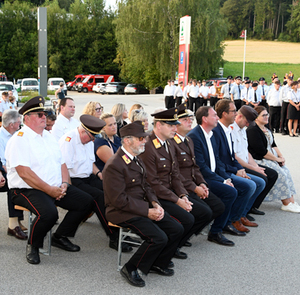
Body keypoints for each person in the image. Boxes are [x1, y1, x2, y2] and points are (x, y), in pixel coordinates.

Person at [5, 96, 93, 264]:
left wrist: (65, 184)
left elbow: (62, 163)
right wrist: (49, 190)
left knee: (86, 202)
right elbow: (24, 173)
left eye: (44, 113)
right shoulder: (20, 139)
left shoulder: (49, 137)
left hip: (54, 186)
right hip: (25, 189)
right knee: (49, 213)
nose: (44, 117)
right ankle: (33, 245)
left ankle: (60, 236)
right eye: (39, 114)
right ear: (27, 118)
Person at [103, 121, 184, 287]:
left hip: (142, 206)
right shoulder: (114, 165)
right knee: (158, 237)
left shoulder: (136, 158)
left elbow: (146, 185)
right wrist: (147, 212)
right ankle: (130, 267)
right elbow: (119, 200)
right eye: (141, 138)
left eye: (145, 137)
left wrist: (155, 203)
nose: (145, 141)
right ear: (127, 140)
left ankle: (157, 263)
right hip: (121, 211)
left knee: (177, 229)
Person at [140, 107, 213, 256]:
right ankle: (165, 253)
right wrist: (177, 200)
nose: (175, 128)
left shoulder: (168, 143)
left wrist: (183, 195)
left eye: (175, 124)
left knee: (204, 212)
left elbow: (175, 174)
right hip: (153, 196)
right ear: (159, 125)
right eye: (171, 125)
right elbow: (153, 183)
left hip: (168, 192)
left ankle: (172, 248)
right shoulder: (148, 146)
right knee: (187, 219)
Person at [59, 114, 131, 252]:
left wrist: (99, 174)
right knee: (98, 198)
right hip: (73, 179)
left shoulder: (88, 140)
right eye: (91, 137)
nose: (93, 140)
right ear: (83, 132)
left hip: (88, 176)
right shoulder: (68, 140)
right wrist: (68, 186)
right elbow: (64, 167)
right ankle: (114, 237)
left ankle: (121, 229)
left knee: (111, 191)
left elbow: (90, 162)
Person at [188, 106, 245, 244]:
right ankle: (215, 231)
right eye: (214, 115)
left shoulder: (211, 134)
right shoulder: (195, 136)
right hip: (202, 178)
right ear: (204, 118)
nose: (217, 118)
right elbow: (201, 166)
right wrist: (222, 181)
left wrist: (225, 178)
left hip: (213, 176)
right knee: (230, 192)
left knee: (236, 188)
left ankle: (224, 224)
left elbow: (217, 160)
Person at [170, 103, 226, 242]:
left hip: (193, 184)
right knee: (204, 212)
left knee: (218, 207)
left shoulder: (188, 140)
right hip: (182, 188)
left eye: (190, 119)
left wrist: (201, 183)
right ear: (176, 125)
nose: (190, 121)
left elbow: (195, 167)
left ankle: (184, 237)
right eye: (185, 120)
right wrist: (195, 188)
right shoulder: (172, 143)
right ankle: (177, 242)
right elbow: (176, 173)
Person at [213, 99, 265, 232]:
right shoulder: (219, 131)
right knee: (251, 185)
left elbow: (234, 154)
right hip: (222, 171)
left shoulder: (228, 130)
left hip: (231, 167)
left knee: (259, 181)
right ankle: (232, 219)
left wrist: (241, 168)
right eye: (233, 111)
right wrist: (236, 170)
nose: (235, 114)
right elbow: (219, 160)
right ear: (224, 114)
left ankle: (240, 215)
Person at [246, 106, 300, 212]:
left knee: (286, 170)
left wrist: (281, 157)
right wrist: (276, 159)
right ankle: (286, 203)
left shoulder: (266, 128)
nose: (267, 117)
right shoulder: (253, 130)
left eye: (267, 114)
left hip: (270, 157)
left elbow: (273, 144)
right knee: (280, 173)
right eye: (264, 115)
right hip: (258, 159)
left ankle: (291, 201)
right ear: (256, 117)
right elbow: (261, 151)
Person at [230, 106, 278, 217]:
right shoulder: (232, 130)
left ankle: (251, 207)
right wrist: (253, 168)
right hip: (239, 165)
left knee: (271, 174)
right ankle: (242, 213)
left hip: (247, 162)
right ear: (240, 116)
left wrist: (256, 166)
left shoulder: (242, 129)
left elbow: (247, 152)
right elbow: (235, 156)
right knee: (261, 180)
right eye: (247, 122)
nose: (248, 125)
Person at [0, 110, 27, 240]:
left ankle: (17, 220)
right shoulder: (0, 137)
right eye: (18, 122)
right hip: (4, 172)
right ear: (11, 124)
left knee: (22, 181)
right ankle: (13, 225)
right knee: (14, 185)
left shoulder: (17, 134)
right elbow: (2, 162)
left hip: (12, 171)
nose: (20, 124)